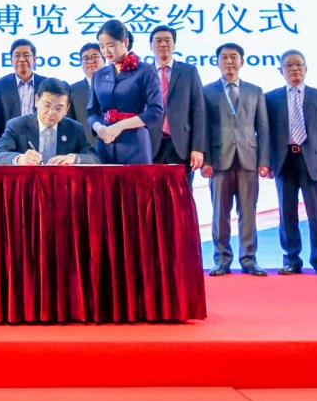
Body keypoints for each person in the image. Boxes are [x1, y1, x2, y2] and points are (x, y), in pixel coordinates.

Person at [266, 50, 317, 276]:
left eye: (299, 65)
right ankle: (291, 260)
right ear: (281, 71)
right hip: (284, 161)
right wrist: (266, 162)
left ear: (306, 69)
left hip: (313, 162)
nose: (294, 69)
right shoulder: (270, 98)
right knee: (287, 213)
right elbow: (265, 134)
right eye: (289, 65)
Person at [202, 42, 270, 276]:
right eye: (224, 57)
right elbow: (203, 129)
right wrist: (206, 160)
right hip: (218, 161)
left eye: (234, 57)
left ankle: (249, 259)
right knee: (220, 213)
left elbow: (263, 128)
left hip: (248, 159)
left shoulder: (255, 91)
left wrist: (264, 160)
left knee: (248, 212)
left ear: (242, 61)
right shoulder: (207, 91)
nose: (229, 61)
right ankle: (222, 259)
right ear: (217, 62)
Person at [86, 19, 164, 165]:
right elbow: (91, 112)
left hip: (135, 145)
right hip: (105, 144)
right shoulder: (99, 75)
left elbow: (156, 111)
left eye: (111, 45)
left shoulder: (145, 71)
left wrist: (120, 126)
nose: (106, 51)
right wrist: (99, 127)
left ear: (125, 42)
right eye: (102, 46)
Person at [146, 26, 206, 181]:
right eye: (158, 40)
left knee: (182, 193)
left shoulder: (189, 72)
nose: (163, 44)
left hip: (182, 146)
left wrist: (198, 148)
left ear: (174, 45)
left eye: (167, 40)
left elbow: (199, 111)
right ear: (151, 46)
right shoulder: (143, 73)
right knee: (152, 193)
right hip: (150, 145)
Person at [0, 78, 99, 165]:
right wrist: (20, 159)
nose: (51, 112)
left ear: (67, 109)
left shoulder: (75, 129)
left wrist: (73, 158)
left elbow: (94, 158)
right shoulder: (17, 126)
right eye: (47, 105)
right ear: (36, 100)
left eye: (58, 108)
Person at [0, 39, 40, 140]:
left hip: (39, 141)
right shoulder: (0, 86)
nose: (22, 59)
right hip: (10, 142)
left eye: (26, 55)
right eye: (17, 55)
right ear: (11, 60)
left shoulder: (45, 84)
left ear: (34, 59)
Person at [68, 42, 104, 148]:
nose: (90, 61)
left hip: (116, 147)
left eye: (95, 57)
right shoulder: (72, 90)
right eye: (86, 58)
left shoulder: (116, 85)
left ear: (104, 59)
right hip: (86, 149)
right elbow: (70, 124)